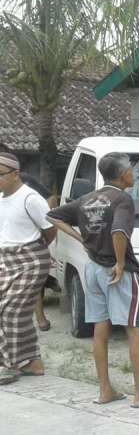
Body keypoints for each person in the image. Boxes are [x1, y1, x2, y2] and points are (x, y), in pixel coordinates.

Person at [48, 153, 139, 408]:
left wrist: (81, 238)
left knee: (99, 329)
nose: (133, 174)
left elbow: (54, 216)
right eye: (131, 170)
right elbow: (118, 231)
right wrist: (121, 262)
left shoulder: (86, 199)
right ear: (122, 173)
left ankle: (105, 390)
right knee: (135, 328)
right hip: (117, 272)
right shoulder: (122, 199)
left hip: (91, 269)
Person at [0, 152, 56, 385]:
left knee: (12, 311)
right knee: (9, 312)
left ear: (15, 174)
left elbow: (51, 228)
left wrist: (34, 249)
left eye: (0, 174)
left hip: (31, 260)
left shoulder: (30, 198)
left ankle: (9, 365)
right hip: (6, 260)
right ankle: (32, 362)